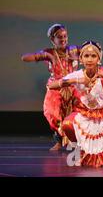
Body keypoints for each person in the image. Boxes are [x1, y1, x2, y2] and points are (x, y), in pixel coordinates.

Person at [48, 41, 103, 167]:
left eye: (93, 56)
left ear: (99, 58)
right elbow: (52, 85)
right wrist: (75, 80)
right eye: (86, 56)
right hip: (85, 113)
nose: (90, 59)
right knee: (67, 125)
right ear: (81, 59)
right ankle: (79, 150)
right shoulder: (78, 75)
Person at [21, 23, 79, 151]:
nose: (63, 39)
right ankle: (59, 141)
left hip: (73, 86)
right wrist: (39, 56)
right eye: (59, 37)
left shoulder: (74, 50)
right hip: (55, 86)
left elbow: (93, 50)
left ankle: (77, 141)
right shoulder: (49, 53)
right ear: (53, 39)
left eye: (65, 36)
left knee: (79, 112)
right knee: (52, 113)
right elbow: (26, 57)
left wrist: (85, 52)